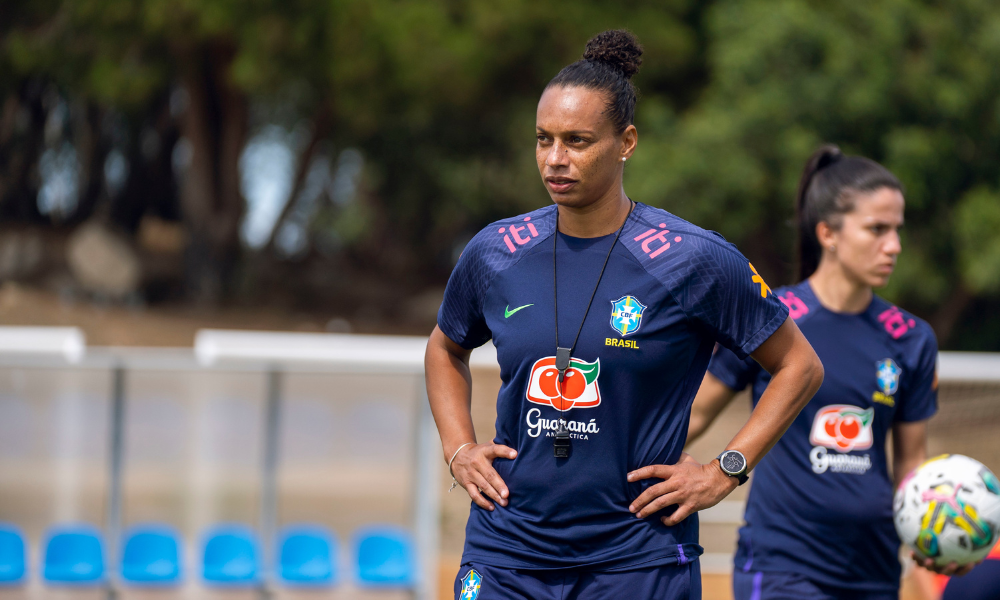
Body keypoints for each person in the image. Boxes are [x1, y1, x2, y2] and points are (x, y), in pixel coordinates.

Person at [424, 29, 824, 600]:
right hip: (507, 550)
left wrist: (725, 469)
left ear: (626, 141)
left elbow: (799, 367)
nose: (555, 159)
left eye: (578, 141)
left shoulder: (694, 259)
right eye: (543, 139)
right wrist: (458, 446)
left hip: (638, 559)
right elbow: (445, 348)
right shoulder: (496, 251)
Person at [686, 145, 959, 600]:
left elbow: (910, 462)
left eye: (896, 230)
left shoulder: (912, 338)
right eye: (877, 229)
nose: (893, 245)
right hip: (783, 564)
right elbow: (693, 416)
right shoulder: (772, 317)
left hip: (873, 566)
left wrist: (929, 530)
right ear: (828, 233)